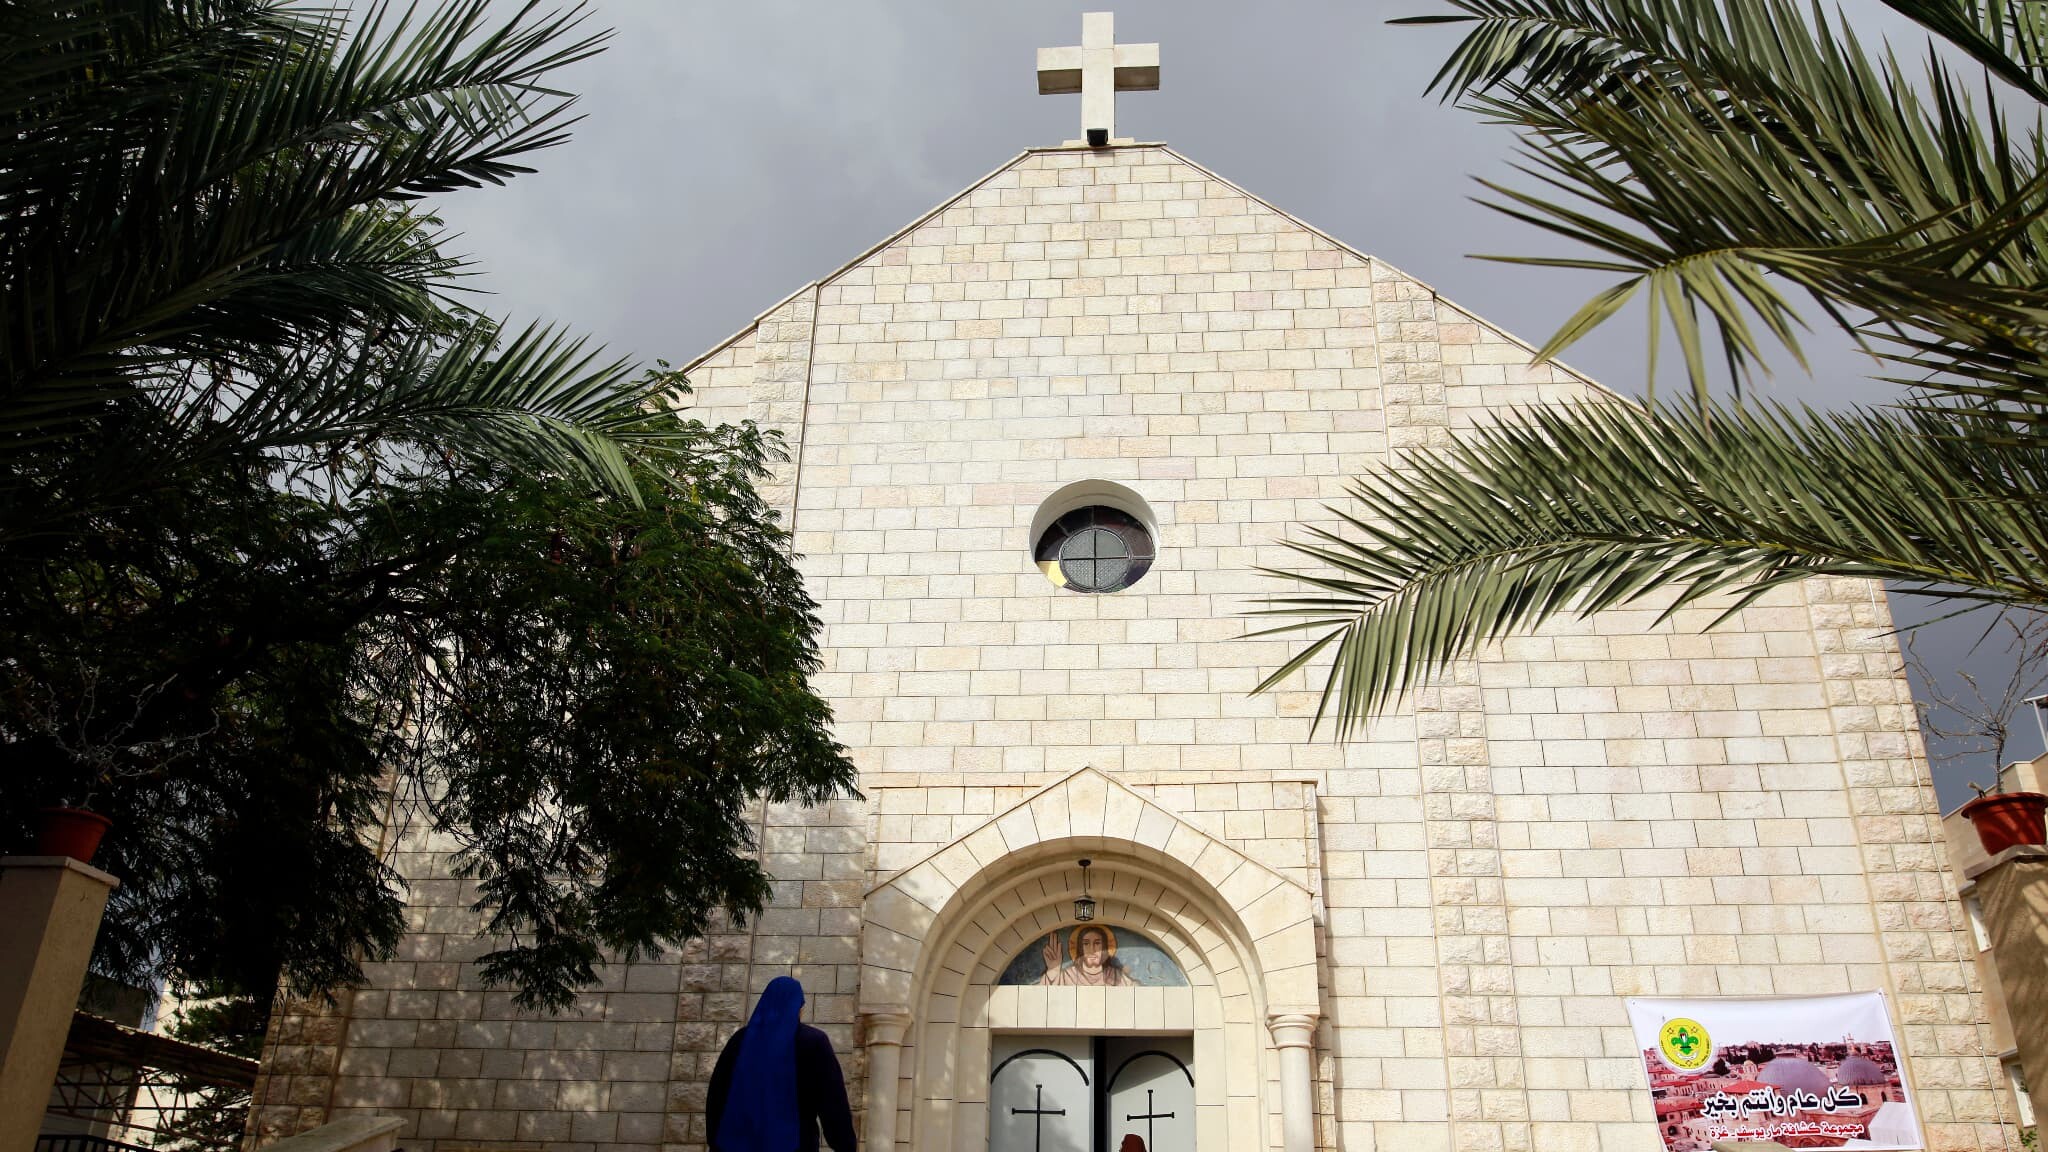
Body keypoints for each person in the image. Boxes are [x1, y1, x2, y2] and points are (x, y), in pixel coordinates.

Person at [707, 976, 857, 1152]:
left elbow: (717, 1095)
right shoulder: (814, 1042)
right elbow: (833, 1102)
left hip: (737, 1143)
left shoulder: (740, 1040)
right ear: (799, 1007)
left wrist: (715, 1141)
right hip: (795, 1144)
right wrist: (845, 1145)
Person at [1039, 924, 1130, 986]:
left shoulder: (1116, 976)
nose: (1092, 950)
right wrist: (1053, 970)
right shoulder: (1067, 976)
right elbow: (1042, 997)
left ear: (1105, 947)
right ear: (1080, 948)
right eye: (1086, 944)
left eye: (1097, 943)